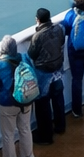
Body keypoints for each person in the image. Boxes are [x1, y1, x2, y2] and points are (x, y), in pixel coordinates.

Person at [0, 38, 37, 157]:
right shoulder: (24, 58)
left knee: (8, 134)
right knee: (25, 129)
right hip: (25, 100)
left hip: (7, 104)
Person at [26, 9, 67, 145]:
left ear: (38, 20)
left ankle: (46, 136)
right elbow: (61, 43)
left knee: (42, 103)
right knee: (58, 97)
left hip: (43, 72)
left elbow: (31, 54)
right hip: (57, 69)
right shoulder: (59, 28)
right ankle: (60, 126)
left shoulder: (37, 36)